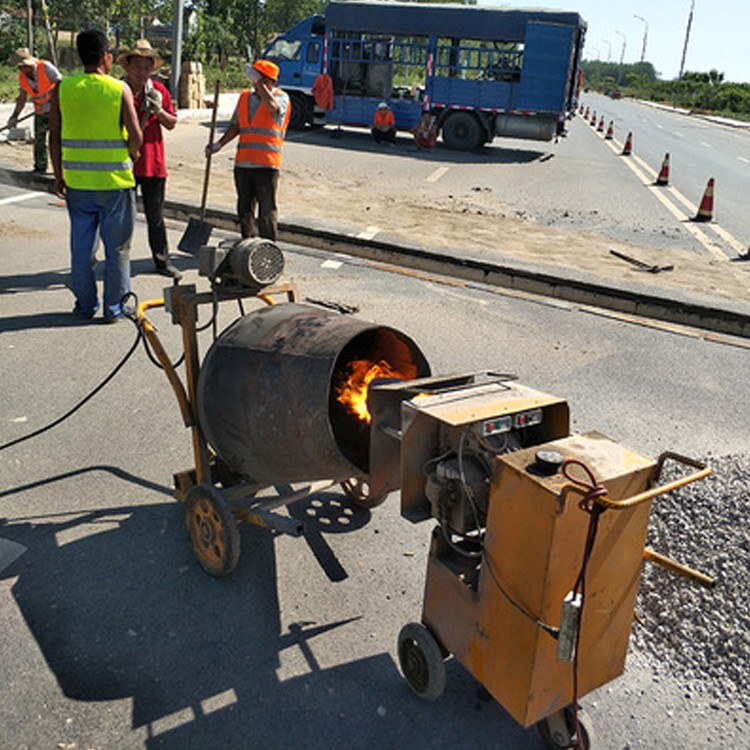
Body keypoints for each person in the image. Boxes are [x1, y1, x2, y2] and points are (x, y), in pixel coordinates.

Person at [49, 29, 142, 323]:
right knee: (117, 250)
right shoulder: (119, 89)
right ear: (106, 56)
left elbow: (54, 136)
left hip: (78, 184)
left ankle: (85, 304)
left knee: (81, 247)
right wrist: (132, 153)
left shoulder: (63, 88)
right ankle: (114, 308)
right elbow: (136, 136)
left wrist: (58, 175)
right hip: (115, 185)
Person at [206, 59, 290, 241]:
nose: (254, 82)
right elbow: (235, 126)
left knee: (267, 210)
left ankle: (268, 249)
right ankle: (247, 244)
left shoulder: (281, 97)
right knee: (244, 209)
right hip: (243, 164)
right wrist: (219, 144)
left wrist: (261, 86)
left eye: (259, 78)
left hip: (267, 165)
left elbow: (273, 107)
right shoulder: (245, 97)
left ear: (271, 81)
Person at [118, 39, 181, 280]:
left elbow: (172, 123)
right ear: (127, 66)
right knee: (123, 219)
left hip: (153, 165)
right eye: (138, 67)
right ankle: (120, 262)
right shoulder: (118, 91)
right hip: (125, 163)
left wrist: (158, 110)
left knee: (156, 217)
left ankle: (163, 261)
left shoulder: (159, 91)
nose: (143, 72)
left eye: (147, 68)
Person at [5, 48, 63, 173]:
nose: (20, 69)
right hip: (40, 112)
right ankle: (40, 168)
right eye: (18, 67)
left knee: (58, 139)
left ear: (28, 64)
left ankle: (64, 169)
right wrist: (14, 116)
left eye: (22, 66)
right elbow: (22, 98)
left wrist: (52, 103)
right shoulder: (23, 78)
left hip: (56, 110)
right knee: (39, 139)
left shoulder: (45, 67)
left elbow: (61, 84)